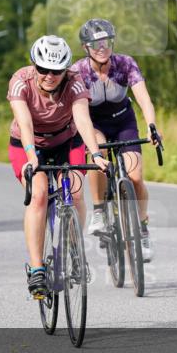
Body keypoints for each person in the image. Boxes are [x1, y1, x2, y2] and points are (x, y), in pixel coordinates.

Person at [8, 35, 108, 298]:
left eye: (56, 71)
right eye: (43, 69)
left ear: (66, 70)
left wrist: (96, 154)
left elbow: (83, 120)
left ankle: (75, 250)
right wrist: (32, 156)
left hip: (67, 139)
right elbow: (25, 124)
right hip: (28, 144)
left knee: (75, 192)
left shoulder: (75, 82)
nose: (49, 76)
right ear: (34, 66)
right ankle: (37, 269)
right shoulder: (21, 82)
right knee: (39, 195)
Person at [74, 18, 162, 261]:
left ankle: (142, 229)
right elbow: (76, 110)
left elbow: (143, 98)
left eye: (106, 43)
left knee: (135, 177)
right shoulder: (77, 72)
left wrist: (151, 125)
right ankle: (100, 210)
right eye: (96, 45)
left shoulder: (125, 64)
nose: (102, 49)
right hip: (95, 124)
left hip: (123, 121)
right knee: (98, 154)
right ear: (86, 48)